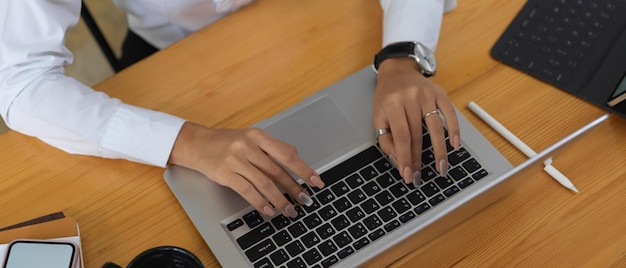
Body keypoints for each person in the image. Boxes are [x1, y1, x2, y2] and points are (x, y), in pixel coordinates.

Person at [0, 0, 459, 219]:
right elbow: (21, 81)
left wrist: (402, 55)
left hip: (320, 21)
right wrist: (186, 141)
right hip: (173, 54)